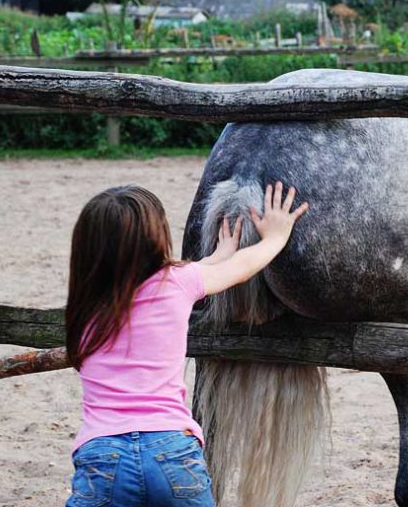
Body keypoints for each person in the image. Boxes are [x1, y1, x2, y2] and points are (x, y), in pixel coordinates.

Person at [64, 182, 308, 507]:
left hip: (103, 456)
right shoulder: (177, 284)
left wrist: (216, 256)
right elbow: (241, 268)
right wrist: (275, 238)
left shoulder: (84, 306)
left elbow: (192, 271)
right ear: (156, 238)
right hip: (172, 450)